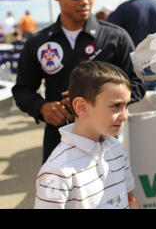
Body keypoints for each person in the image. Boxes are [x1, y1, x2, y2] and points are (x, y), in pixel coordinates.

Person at [12, 0, 145, 163]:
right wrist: (43, 108)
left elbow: (137, 84)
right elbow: (22, 90)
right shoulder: (39, 43)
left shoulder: (115, 38)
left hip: (105, 145)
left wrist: (99, 101)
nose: (85, 1)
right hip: (58, 142)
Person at [35, 61, 140, 209]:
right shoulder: (57, 171)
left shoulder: (116, 148)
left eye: (126, 106)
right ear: (82, 108)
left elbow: (131, 199)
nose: (124, 115)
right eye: (116, 106)